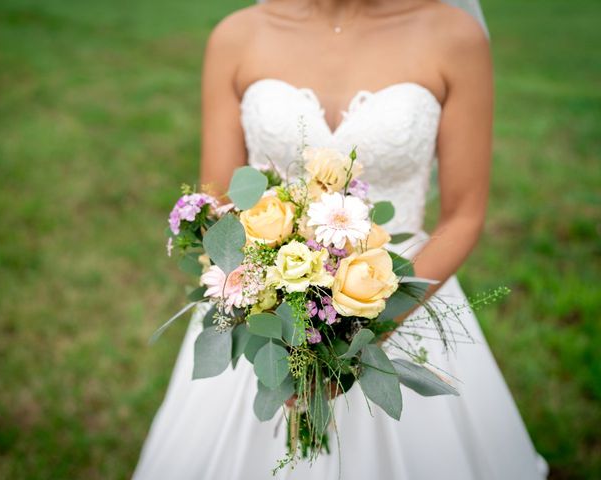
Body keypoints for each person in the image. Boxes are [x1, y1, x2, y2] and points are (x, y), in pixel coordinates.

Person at [133, 1, 548, 478]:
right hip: (269, 311)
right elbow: (220, 204)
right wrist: (277, 315)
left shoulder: (454, 37)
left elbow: (465, 214)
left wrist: (355, 335)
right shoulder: (236, 36)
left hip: (406, 296)